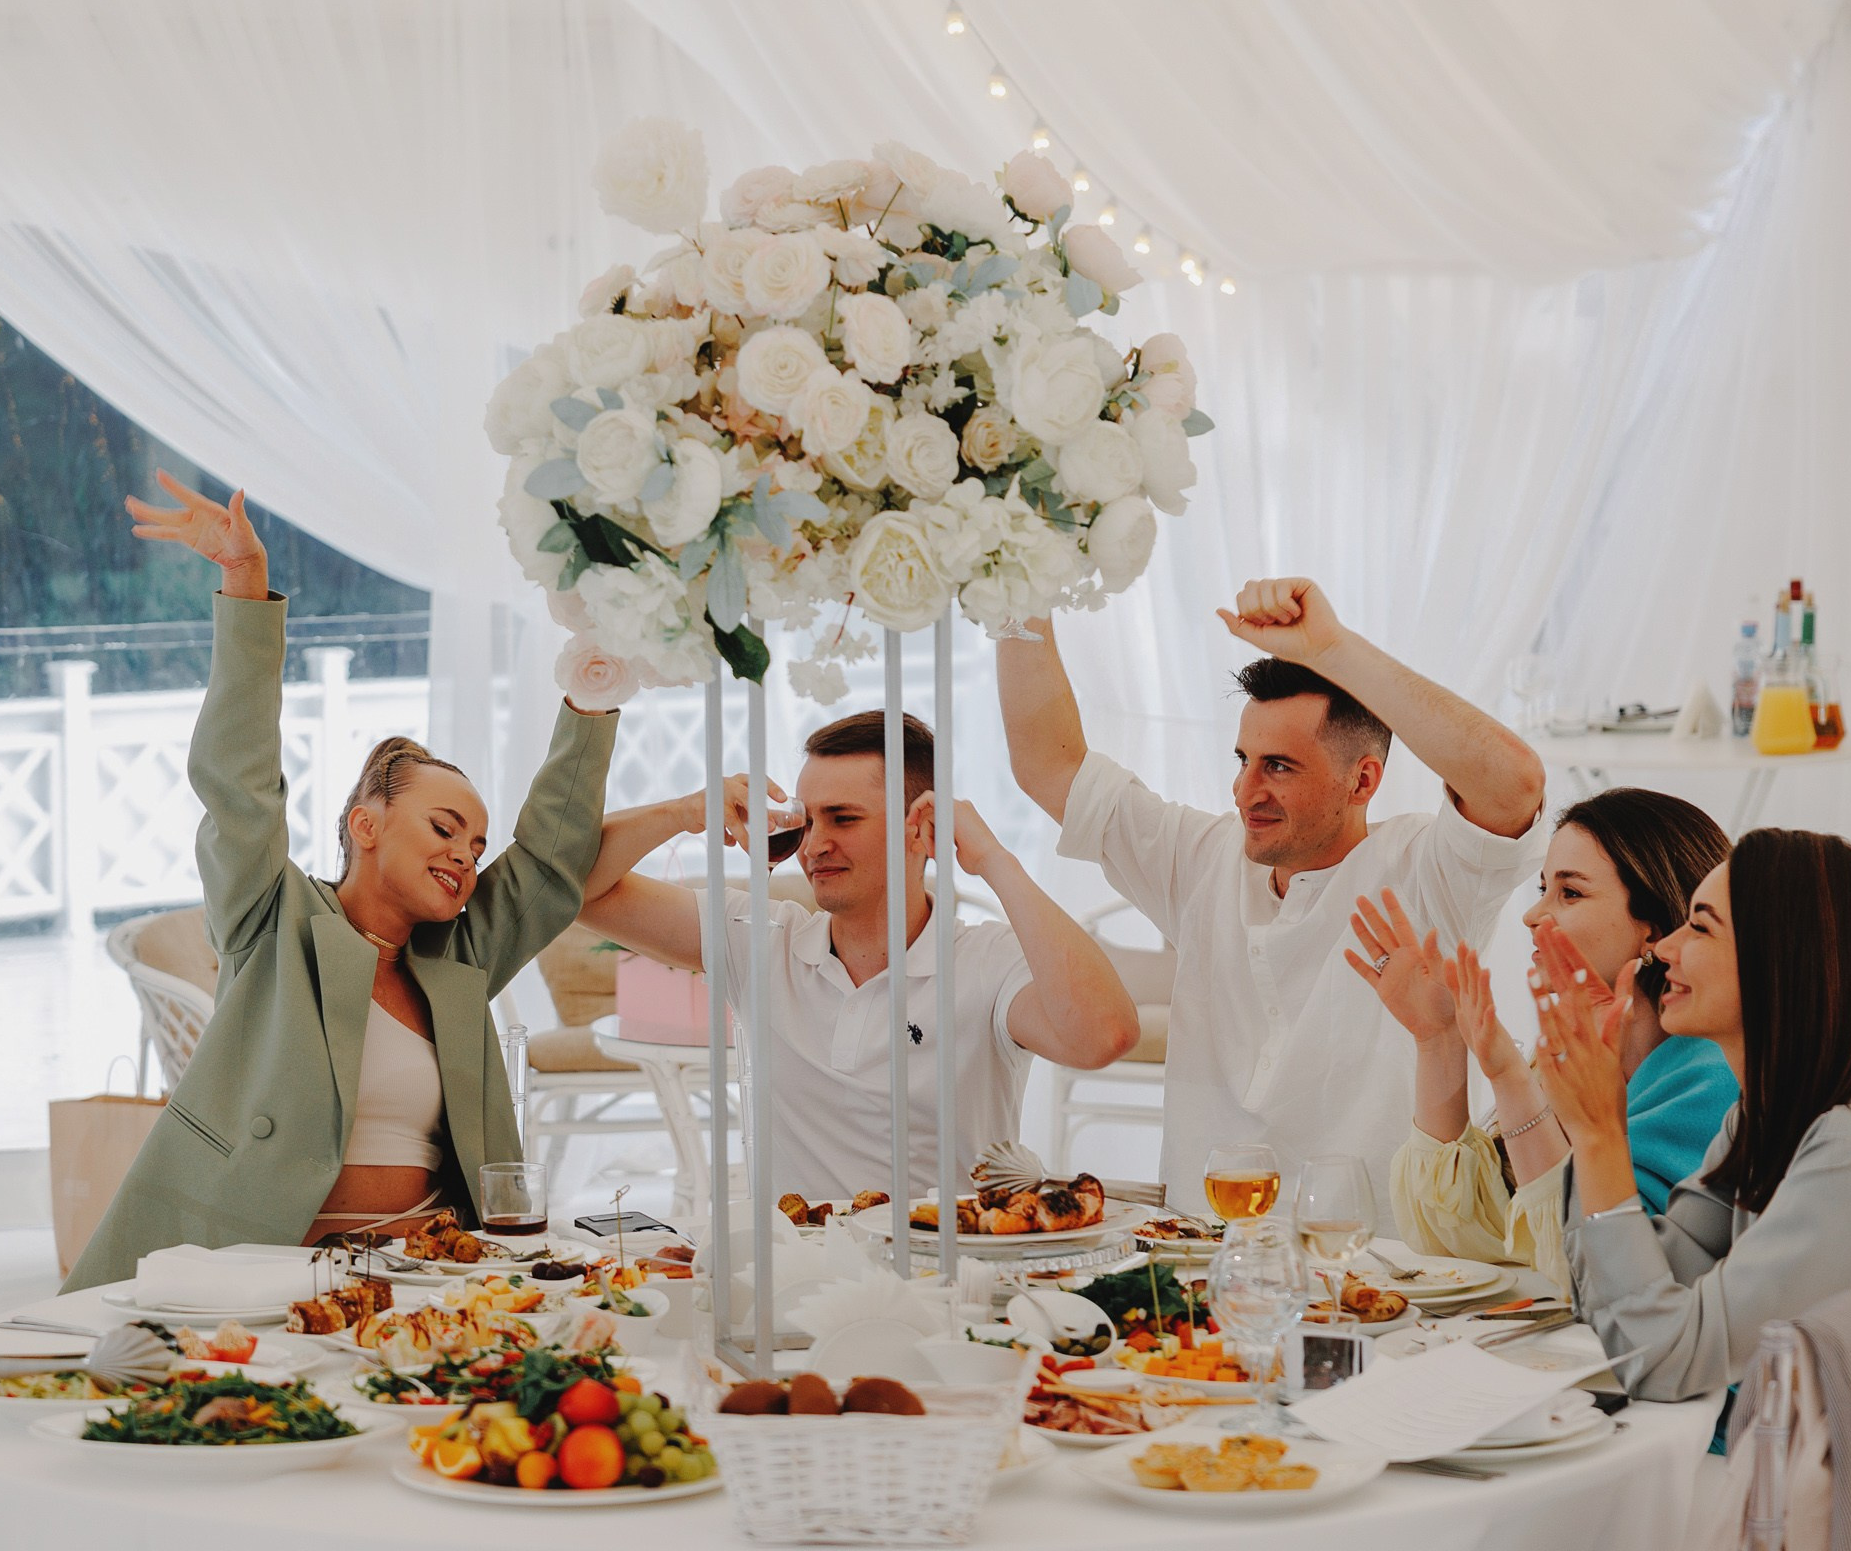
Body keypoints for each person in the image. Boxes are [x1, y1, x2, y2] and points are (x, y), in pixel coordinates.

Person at [63, 473, 619, 1289]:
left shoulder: (461, 958)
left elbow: (547, 860)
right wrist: (245, 587)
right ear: (366, 825)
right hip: (263, 1276)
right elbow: (239, 786)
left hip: (433, 1278)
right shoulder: (273, 921)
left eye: (475, 843)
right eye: (442, 828)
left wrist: (593, 694)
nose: (467, 855)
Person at [995, 578, 1547, 1215]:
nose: (1245, 790)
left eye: (1278, 767)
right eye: (1242, 760)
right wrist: (1018, 584)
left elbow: (1515, 783)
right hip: (1198, 1262)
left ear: (1363, 779)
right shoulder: (1203, 857)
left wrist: (1332, 649)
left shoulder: (1428, 874)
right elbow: (1048, 766)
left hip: (1378, 1274)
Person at [577, 710, 1140, 1196]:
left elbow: (1101, 1036)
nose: (815, 844)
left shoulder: (988, 961)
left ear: (923, 826)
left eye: (843, 818)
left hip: (944, 1282)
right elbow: (572, 888)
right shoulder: (759, 935)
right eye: (808, 819)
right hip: (793, 1277)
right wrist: (681, 813)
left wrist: (993, 858)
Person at [1536, 828, 1851, 1401]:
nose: (1663, 949)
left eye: (1700, 926)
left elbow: (1665, 1361)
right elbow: (1643, 1288)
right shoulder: (1762, 1119)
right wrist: (1590, 1126)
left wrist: (1599, 1133)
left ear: (1779, 960)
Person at [1347, 788, 1740, 1293]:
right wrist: (1438, 1039)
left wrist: (1509, 1079)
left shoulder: (1710, 1081)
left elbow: (1597, 1272)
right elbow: (1451, 1236)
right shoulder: (1565, 1059)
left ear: (1653, 931)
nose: (1533, 916)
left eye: (1570, 893)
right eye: (1542, 890)